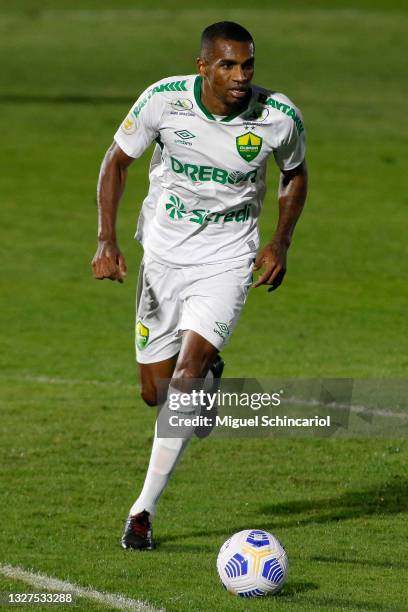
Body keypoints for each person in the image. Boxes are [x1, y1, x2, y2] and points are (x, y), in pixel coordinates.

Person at [92, 21, 308, 550]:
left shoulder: (278, 117)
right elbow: (116, 163)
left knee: (181, 385)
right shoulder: (163, 102)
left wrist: (280, 240)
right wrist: (106, 238)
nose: (241, 76)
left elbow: (295, 173)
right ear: (203, 67)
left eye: (248, 65)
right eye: (229, 65)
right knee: (155, 394)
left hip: (227, 260)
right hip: (163, 257)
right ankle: (208, 373)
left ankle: (142, 512)